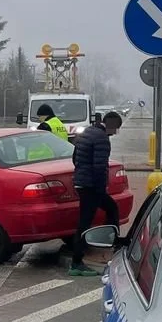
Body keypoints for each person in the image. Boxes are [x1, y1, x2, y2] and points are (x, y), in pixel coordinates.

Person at [69, 111, 123, 277]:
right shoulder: (102, 138)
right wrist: (101, 189)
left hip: (82, 182)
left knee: (110, 208)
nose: (115, 132)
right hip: (91, 186)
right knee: (85, 222)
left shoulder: (88, 132)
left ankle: (109, 242)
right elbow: (99, 167)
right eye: (116, 128)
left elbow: (74, 157)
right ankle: (77, 262)